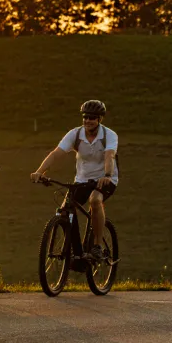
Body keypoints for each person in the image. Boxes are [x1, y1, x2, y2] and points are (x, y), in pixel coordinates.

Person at [30, 99, 118, 261]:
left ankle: (97, 246)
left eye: (92, 117)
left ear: (100, 119)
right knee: (65, 211)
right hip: (82, 180)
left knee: (95, 200)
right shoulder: (75, 134)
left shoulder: (109, 135)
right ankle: (76, 252)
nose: (88, 120)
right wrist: (39, 171)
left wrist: (107, 175)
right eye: (85, 117)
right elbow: (56, 154)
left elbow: (110, 156)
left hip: (105, 179)